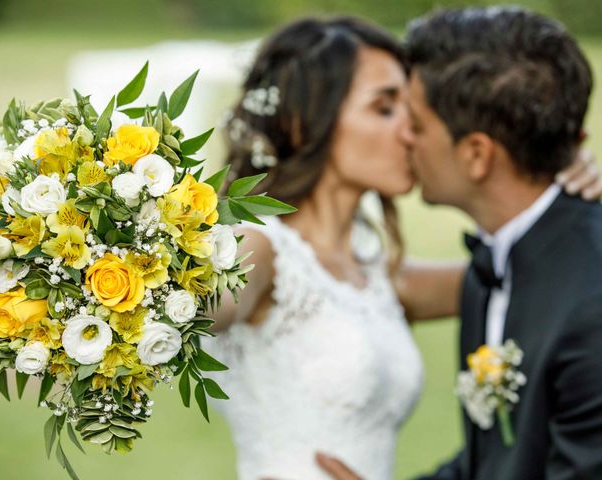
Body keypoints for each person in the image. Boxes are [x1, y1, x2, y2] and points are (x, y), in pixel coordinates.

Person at [202, 15, 602, 480]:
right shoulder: (260, 250)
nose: (408, 131)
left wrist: (542, 152)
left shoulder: (380, 273)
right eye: (385, 107)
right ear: (304, 125)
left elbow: (533, 274)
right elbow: (209, 303)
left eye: (411, 111)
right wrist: (141, 265)